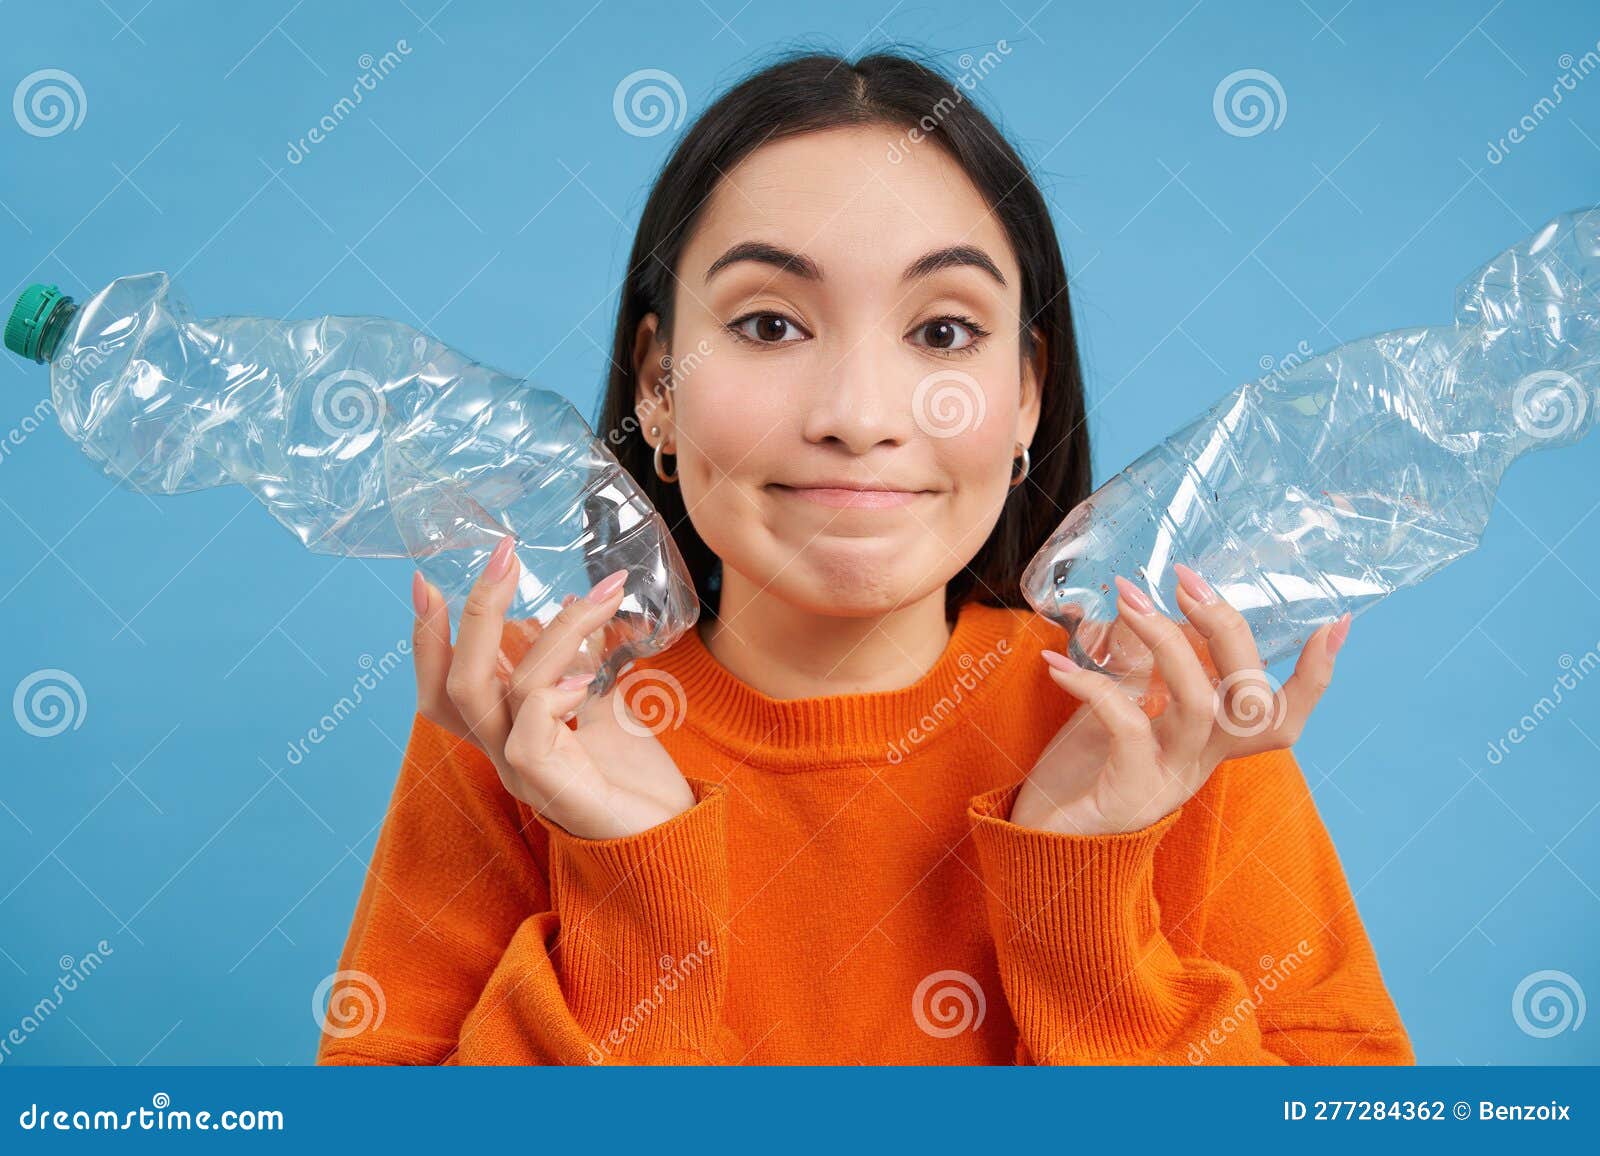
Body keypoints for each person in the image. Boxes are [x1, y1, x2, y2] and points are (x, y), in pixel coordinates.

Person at [316, 49, 1412, 1066]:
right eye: (766, 325)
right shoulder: (531, 720)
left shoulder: (1165, 717)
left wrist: (1085, 903)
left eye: (942, 332)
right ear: (658, 383)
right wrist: (632, 894)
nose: (857, 414)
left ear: (1025, 391)